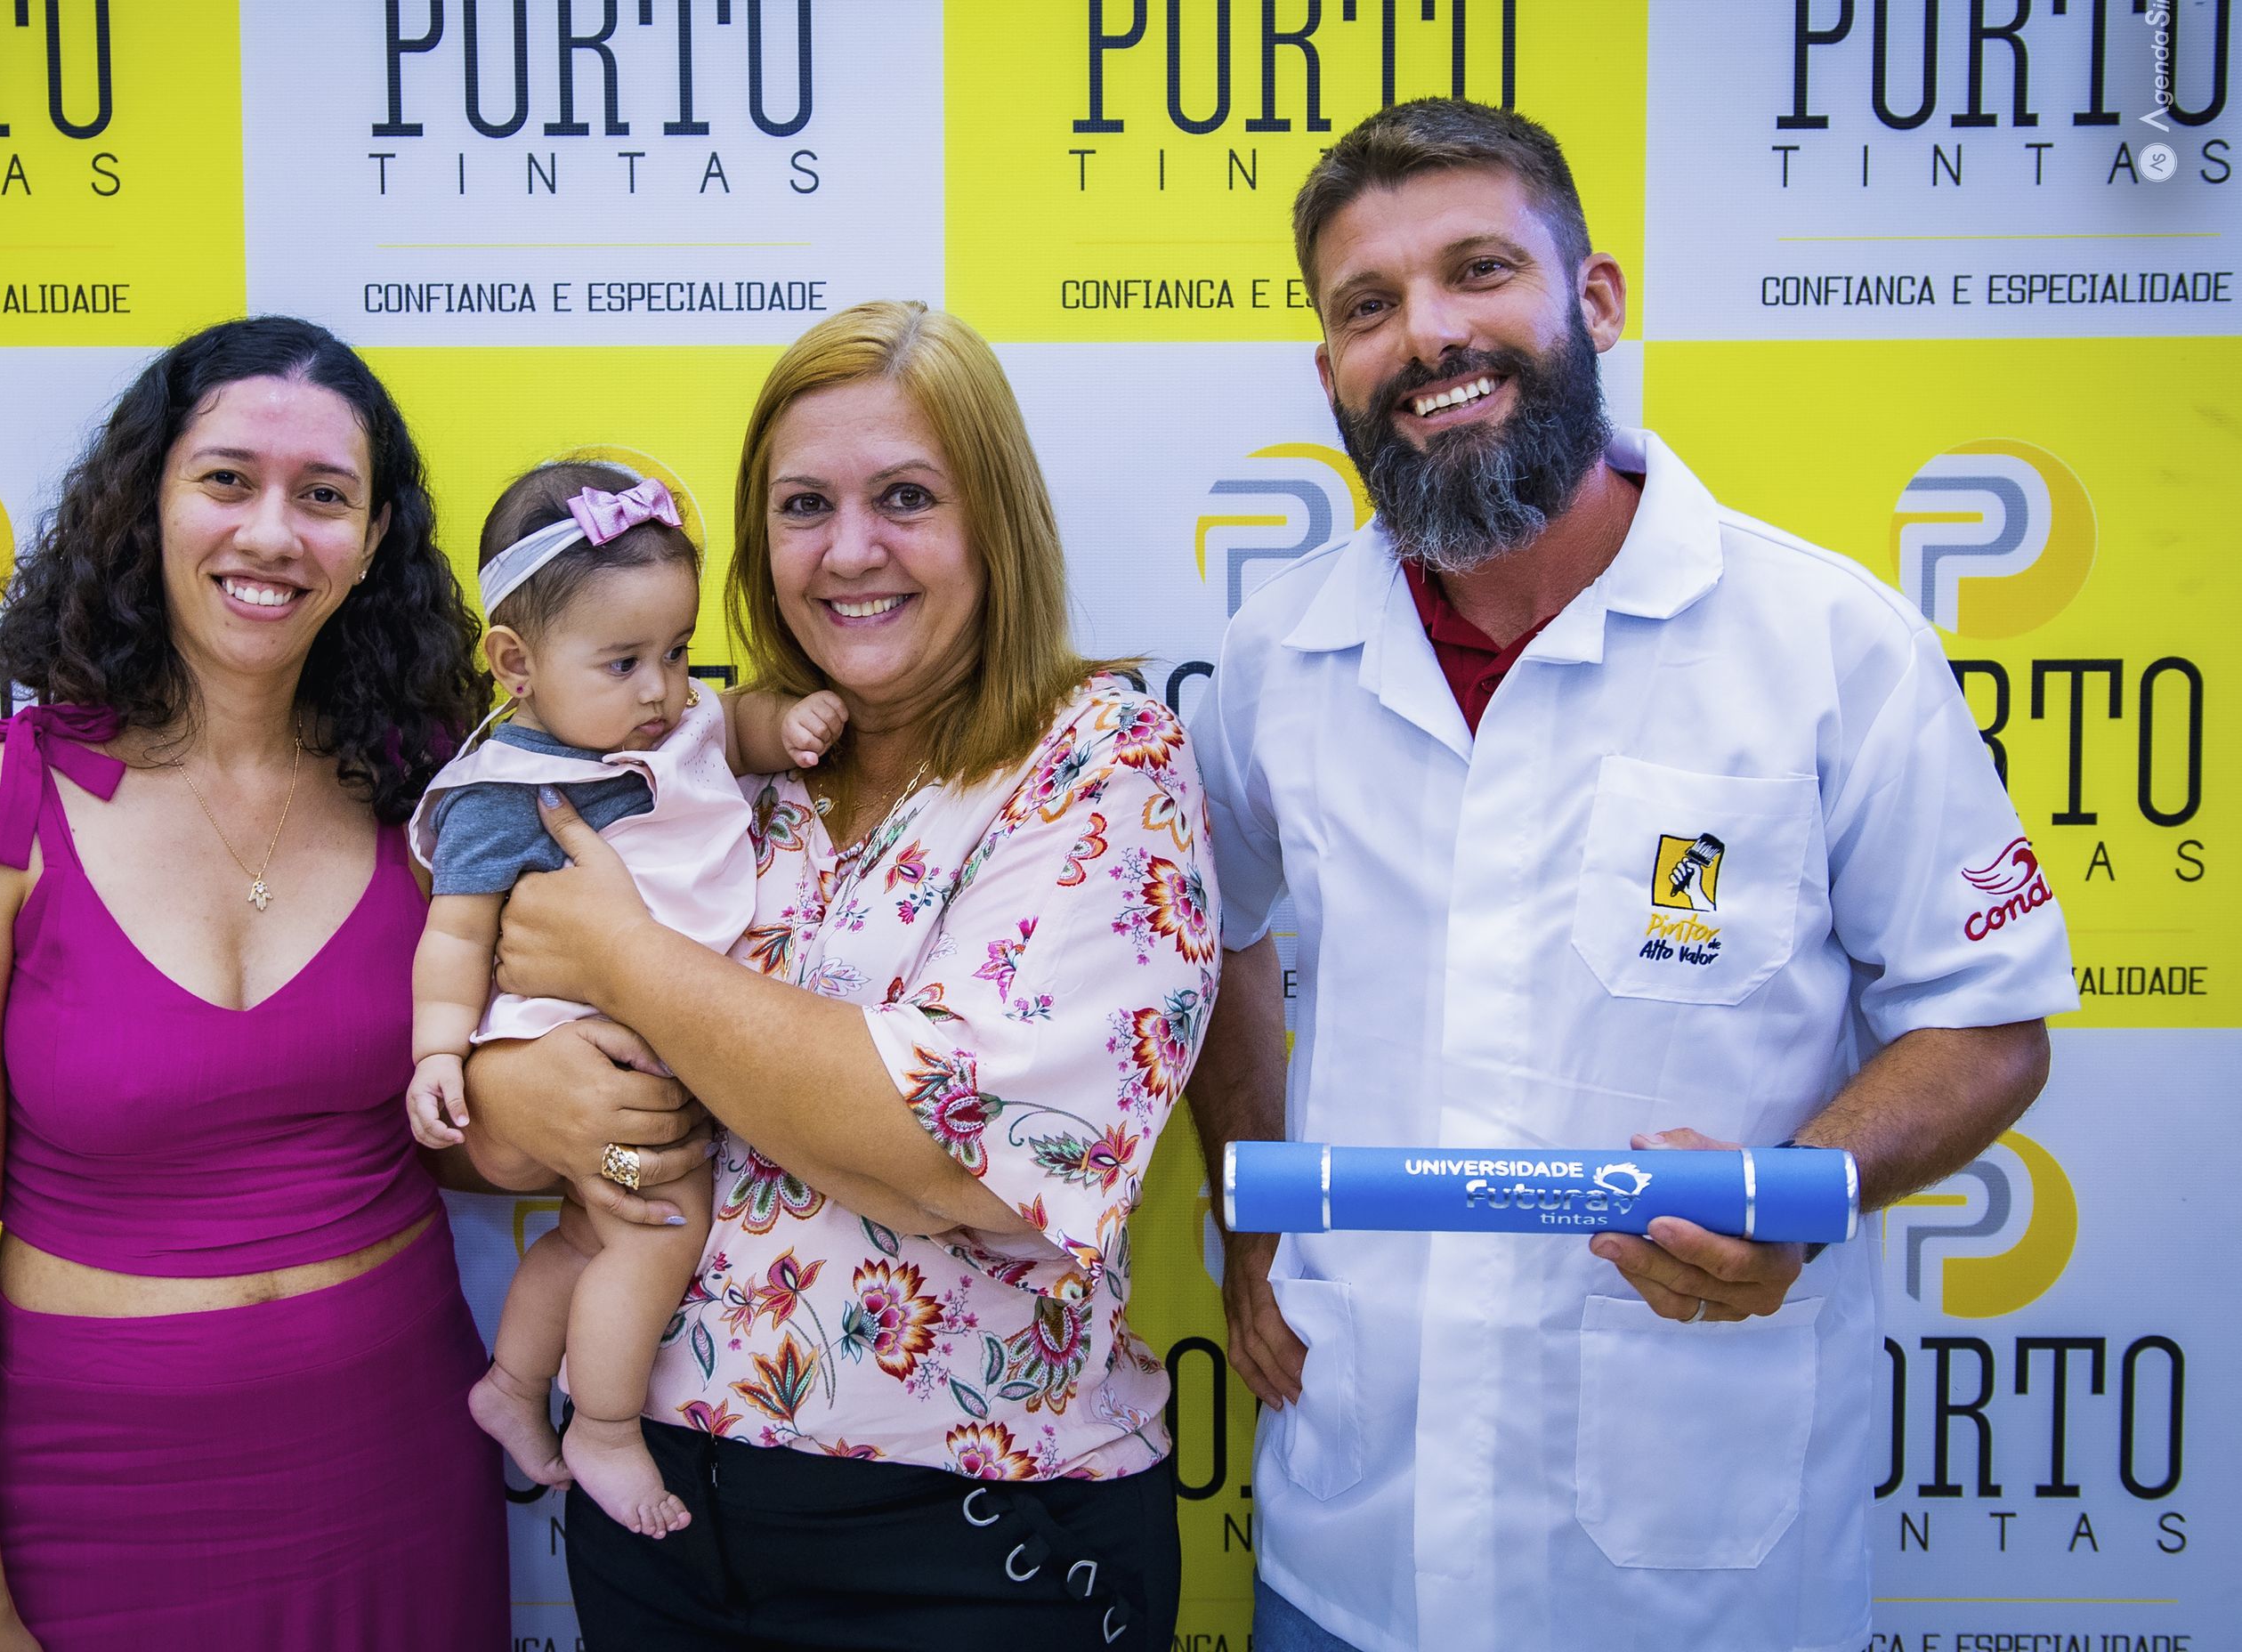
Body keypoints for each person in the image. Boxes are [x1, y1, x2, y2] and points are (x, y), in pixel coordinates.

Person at [1187, 100, 2077, 1652]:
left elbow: (1988, 1021)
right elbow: (1213, 935)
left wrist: (1799, 1196)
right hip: (1351, 1551)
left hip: (1696, 1573)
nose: (1429, 335)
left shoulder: (1827, 645)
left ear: (1595, 300)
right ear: (1330, 372)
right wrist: (1252, 1213)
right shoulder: (1277, 659)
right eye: (1368, 306)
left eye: (1479, 271)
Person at [458, 300, 1218, 1650]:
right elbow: (505, 1115)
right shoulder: (696, 756)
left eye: (907, 498)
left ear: (995, 522)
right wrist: (526, 1102)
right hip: (653, 1511)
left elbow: (954, 1157)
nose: (850, 550)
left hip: (970, 1540)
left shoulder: (1100, 762)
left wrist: (627, 963)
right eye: (805, 505)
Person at [0, 317, 528, 1649]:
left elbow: (475, 1130)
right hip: (101, 1498)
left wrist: (602, 1140)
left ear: (374, 539)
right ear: (149, 500)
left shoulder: (428, 802)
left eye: (324, 496)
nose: (272, 534)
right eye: (228, 479)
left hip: (401, 1470)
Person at [403, 457, 846, 1537]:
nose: (662, 688)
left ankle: (512, 1382)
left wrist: (788, 724)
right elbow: (454, 934)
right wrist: (439, 1051)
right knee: (657, 1225)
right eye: (623, 662)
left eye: (678, 651)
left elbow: (733, 728)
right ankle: (601, 1424)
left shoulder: (669, 723)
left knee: (584, 1236)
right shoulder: (506, 793)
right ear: (515, 663)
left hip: (666, 1027)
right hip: (587, 1052)